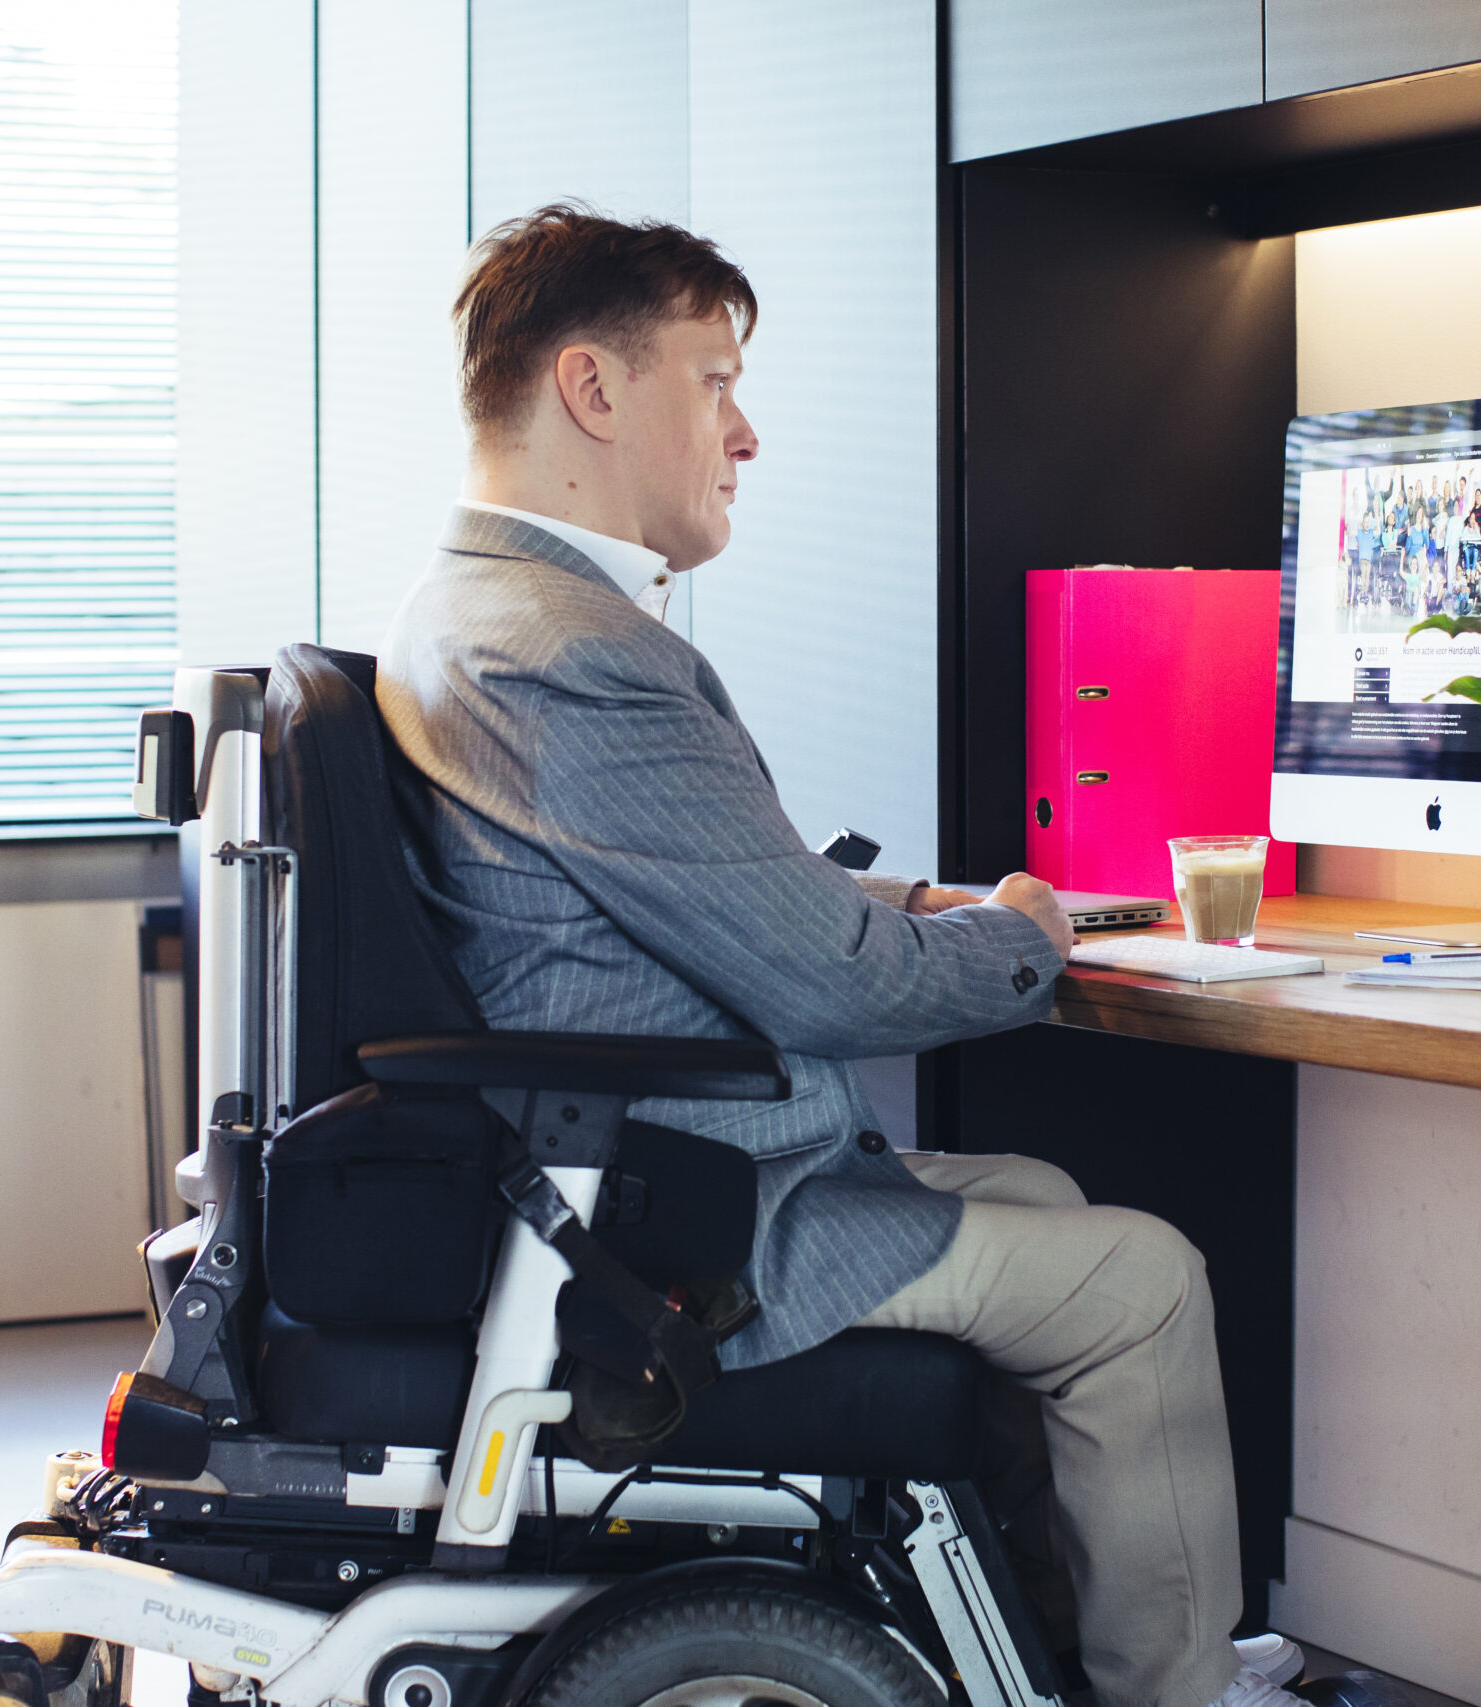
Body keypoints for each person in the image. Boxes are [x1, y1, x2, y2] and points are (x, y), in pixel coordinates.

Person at [378, 205, 1303, 1707]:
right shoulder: (570, 646)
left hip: (652, 1157)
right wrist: (1022, 933)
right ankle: (1177, 1694)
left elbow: (696, 895)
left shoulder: (484, 611)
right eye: (717, 381)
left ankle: (1049, 1646)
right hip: (679, 1215)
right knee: (1139, 1281)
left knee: (1045, 1197)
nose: (745, 435)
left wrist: (919, 903)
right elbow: (832, 990)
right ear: (595, 391)